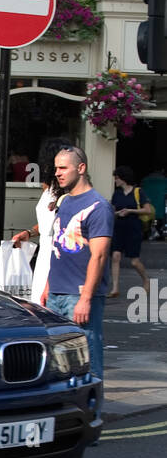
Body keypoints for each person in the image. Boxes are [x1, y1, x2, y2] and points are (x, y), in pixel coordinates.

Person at [46, 145, 112, 381]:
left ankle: (92, 410)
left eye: (63, 168)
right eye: (56, 168)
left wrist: (85, 299)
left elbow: (100, 256)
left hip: (80, 295)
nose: (57, 173)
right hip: (56, 292)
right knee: (57, 360)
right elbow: (57, 250)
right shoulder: (64, 202)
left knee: (87, 357)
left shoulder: (98, 206)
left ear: (81, 168)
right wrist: (47, 286)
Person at [11, 136, 67, 306]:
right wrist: (30, 232)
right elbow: (47, 223)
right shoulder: (49, 187)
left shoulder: (66, 192)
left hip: (55, 258)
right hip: (45, 256)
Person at [109, 165, 152, 296]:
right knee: (115, 256)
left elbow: (147, 210)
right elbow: (112, 210)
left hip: (133, 228)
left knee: (134, 261)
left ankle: (146, 280)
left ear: (123, 178)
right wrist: (117, 213)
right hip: (119, 227)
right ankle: (115, 288)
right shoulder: (117, 194)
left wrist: (130, 211)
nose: (115, 180)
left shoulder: (138, 192)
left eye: (117, 178)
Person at [141, 165, 167, 240]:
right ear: (162, 171)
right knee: (161, 220)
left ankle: (147, 233)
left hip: (148, 207)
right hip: (161, 208)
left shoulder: (145, 180)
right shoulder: (165, 181)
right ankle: (160, 232)